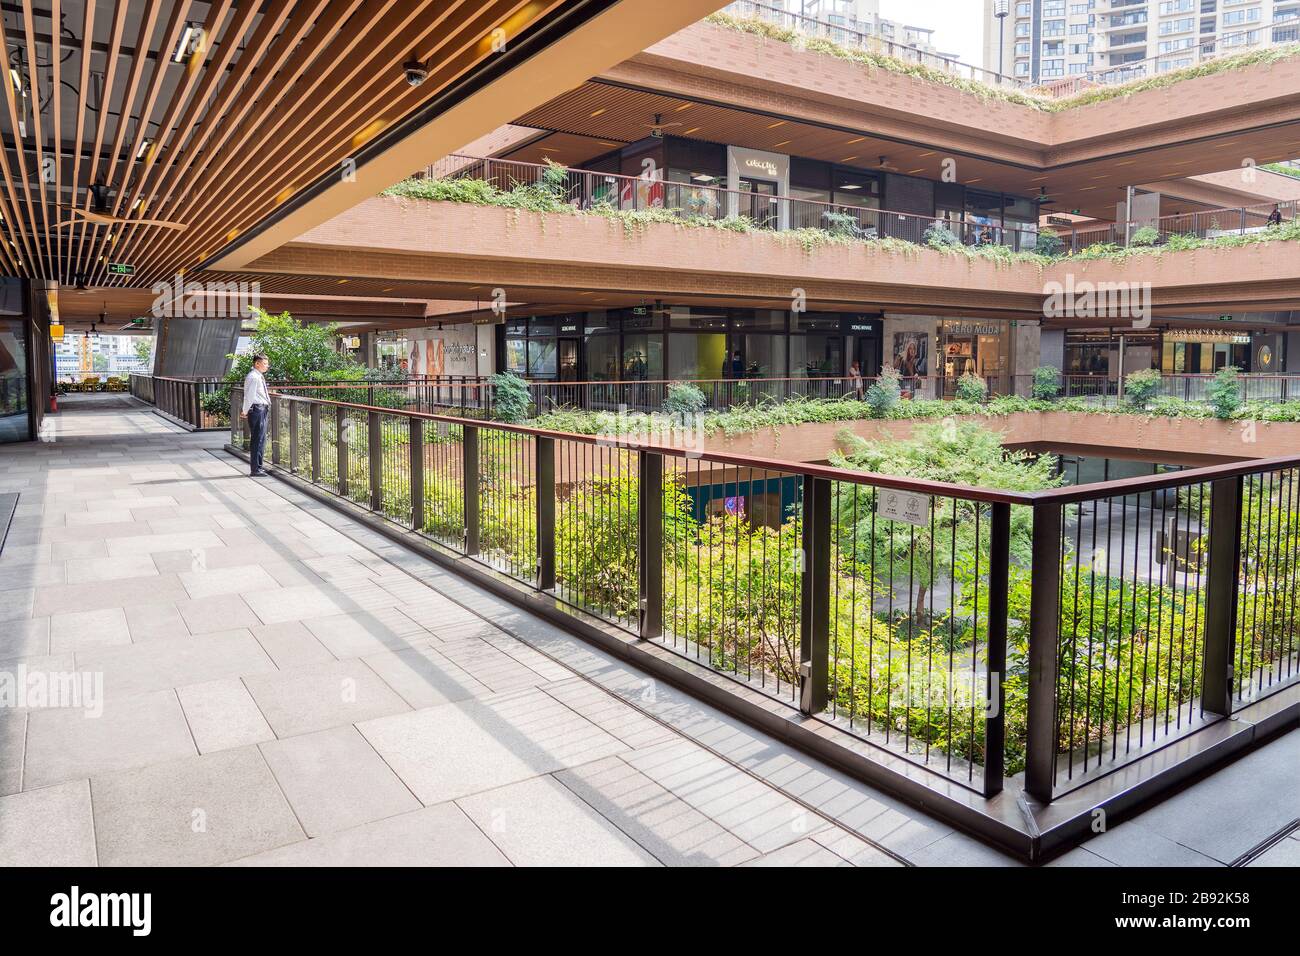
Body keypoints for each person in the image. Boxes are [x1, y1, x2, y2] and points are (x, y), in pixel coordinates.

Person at [240, 353, 272, 477]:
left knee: (261, 439)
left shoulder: (257, 376)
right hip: (257, 409)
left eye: (267, 364)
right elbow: (249, 396)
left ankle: (259, 466)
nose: (267, 366)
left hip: (261, 409)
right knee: (257, 440)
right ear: (257, 364)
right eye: (264, 364)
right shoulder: (254, 377)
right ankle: (255, 469)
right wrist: (245, 411)